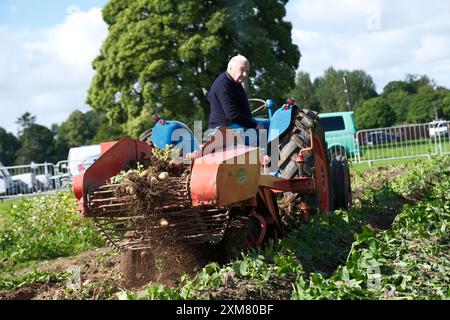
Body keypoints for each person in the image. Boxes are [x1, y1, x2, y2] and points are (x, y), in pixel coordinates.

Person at [207, 55, 263, 130]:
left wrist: (253, 122)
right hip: (225, 128)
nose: (245, 74)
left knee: (269, 124)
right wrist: (254, 125)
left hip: (236, 125)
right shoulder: (223, 85)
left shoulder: (236, 83)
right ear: (230, 67)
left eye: (247, 71)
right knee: (267, 130)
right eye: (241, 70)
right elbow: (232, 115)